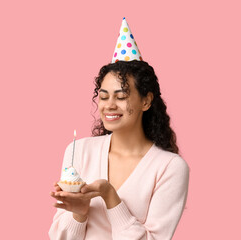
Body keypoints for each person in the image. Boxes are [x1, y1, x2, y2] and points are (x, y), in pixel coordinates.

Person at [48, 60, 189, 239]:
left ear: (146, 101)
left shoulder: (170, 167)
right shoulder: (79, 150)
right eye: (104, 97)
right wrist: (80, 213)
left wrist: (110, 197)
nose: (110, 105)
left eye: (121, 97)